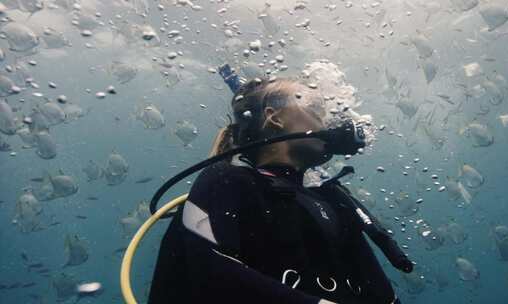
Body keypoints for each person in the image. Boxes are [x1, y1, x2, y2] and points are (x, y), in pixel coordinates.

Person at [148, 77, 413, 304]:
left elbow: (381, 293)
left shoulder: (334, 200)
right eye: (315, 108)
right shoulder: (227, 180)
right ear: (274, 118)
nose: (328, 120)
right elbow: (207, 271)